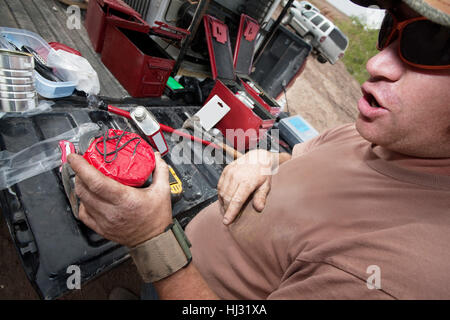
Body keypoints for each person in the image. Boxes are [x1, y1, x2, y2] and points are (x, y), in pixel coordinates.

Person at [67, 0, 450, 299]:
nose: (376, 62)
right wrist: (268, 160)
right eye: (392, 31)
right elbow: (303, 159)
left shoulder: (395, 277)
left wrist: (153, 244)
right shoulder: (377, 136)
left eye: (429, 46)